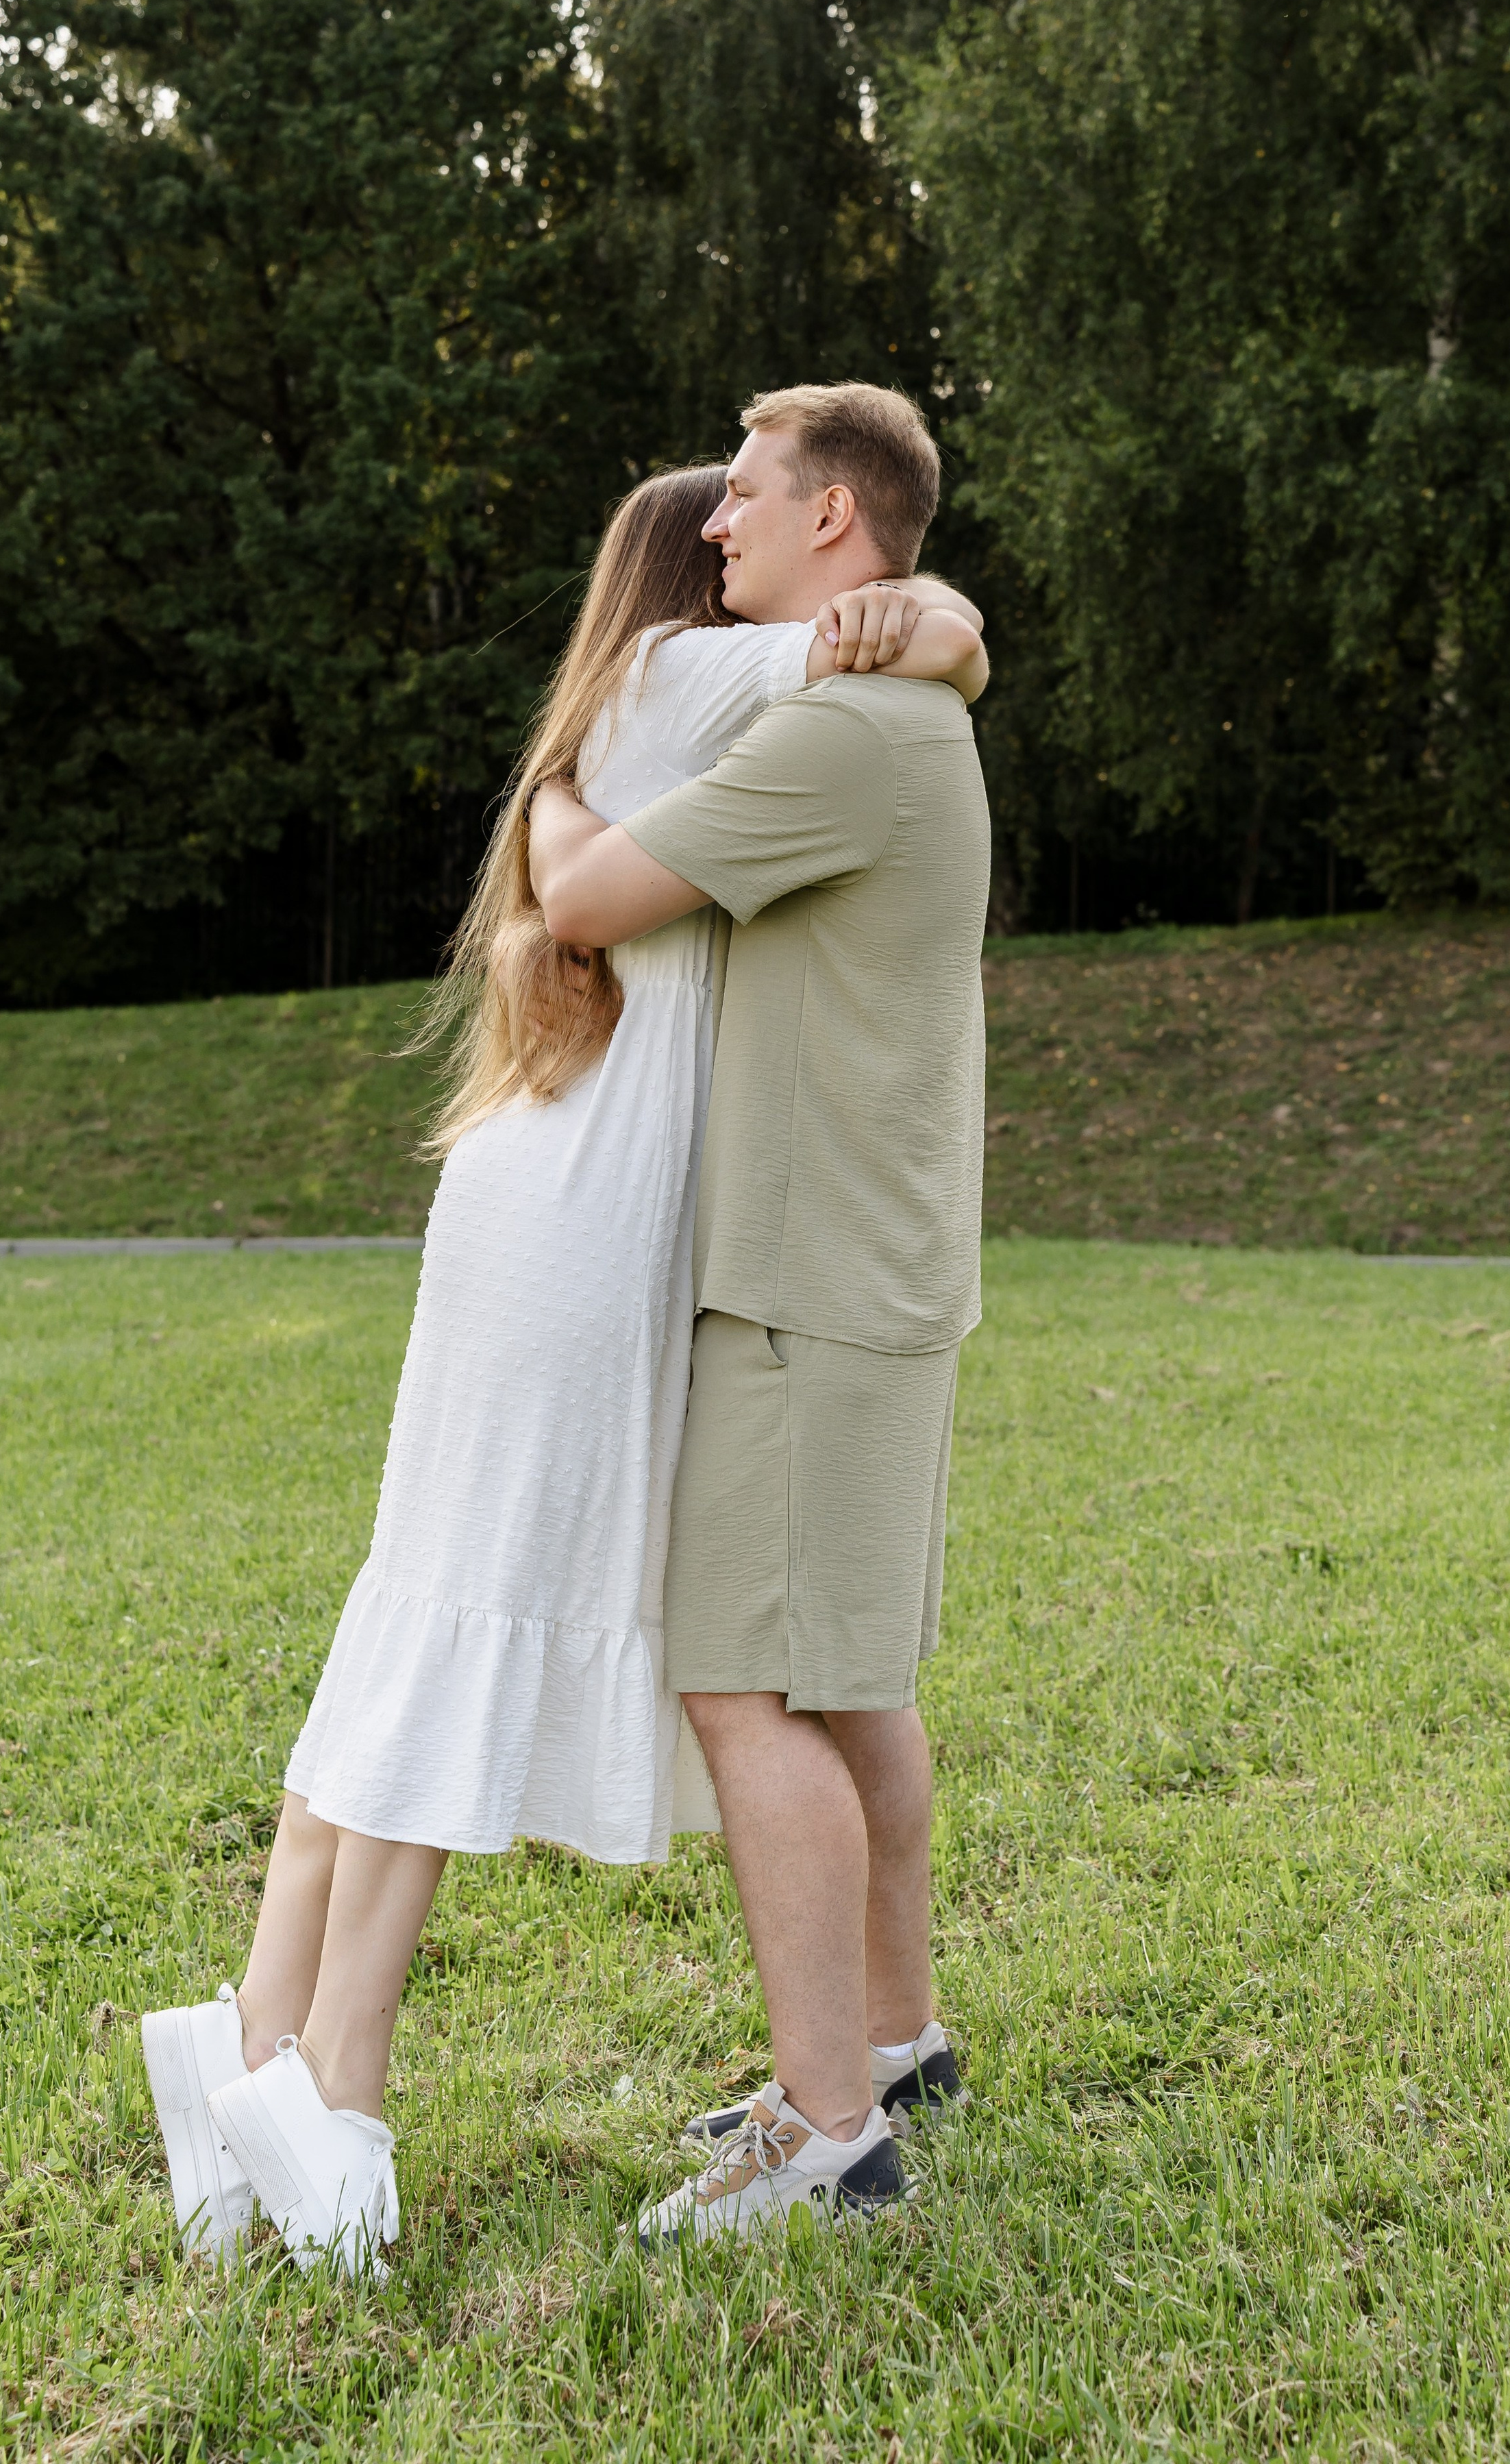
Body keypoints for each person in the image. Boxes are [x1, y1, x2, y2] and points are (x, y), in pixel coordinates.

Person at [139, 448, 988, 2279]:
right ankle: (329, 2105)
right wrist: (946, 619)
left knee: (426, 1603)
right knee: (468, 1613)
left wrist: (931, 622)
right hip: (597, 1230)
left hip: (552, 1201)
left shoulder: (618, 709)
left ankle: (260, 2045)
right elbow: (923, 644)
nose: (756, 527)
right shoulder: (710, 682)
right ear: (702, 565)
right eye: (737, 513)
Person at [530, 381, 992, 2246]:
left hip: (807, 1283)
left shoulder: (850, 734)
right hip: (865, 1273)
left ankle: (822, 2139)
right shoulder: (892, 707)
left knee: (748, 1684)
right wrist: (952, 629)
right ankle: (891, 2044)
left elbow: (582, 900)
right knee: (854, 1675)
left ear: (836, 523)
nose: (712, 527)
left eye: (743, 496)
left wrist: (554, 767)